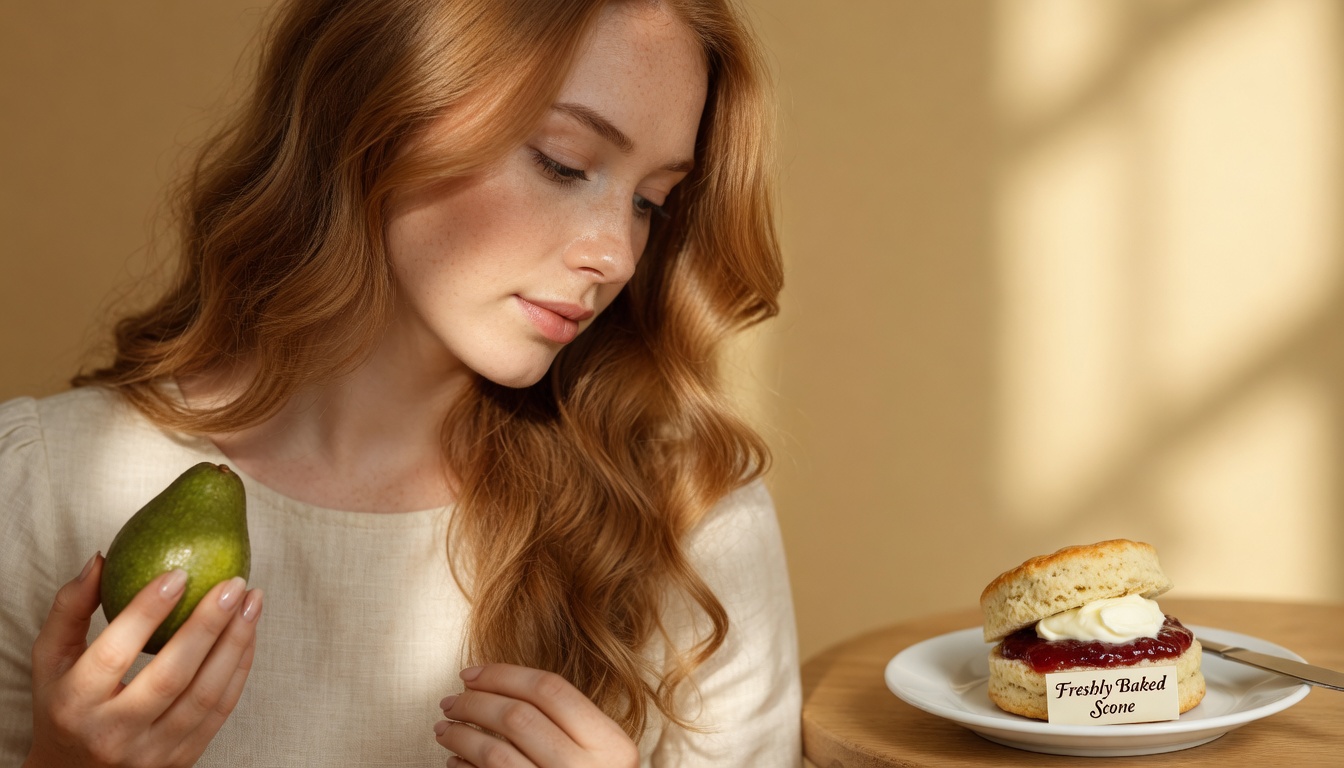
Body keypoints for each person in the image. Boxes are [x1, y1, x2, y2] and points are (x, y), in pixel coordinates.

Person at [0, 0, 801, 765]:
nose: (616, 256)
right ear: (381, 109)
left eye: (650, 202)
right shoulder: (40, 483)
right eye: (563, 163)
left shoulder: (689, 519)